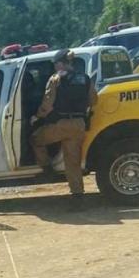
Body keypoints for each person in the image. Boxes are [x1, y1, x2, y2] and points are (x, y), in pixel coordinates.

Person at [30, 49, 98, 210]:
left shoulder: (56, 79)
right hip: (79, 125)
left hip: (60, 125)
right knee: (72, 163)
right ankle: (78, 197)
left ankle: (47, 170)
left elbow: (47, 104)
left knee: (35, 139)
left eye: (56, 64)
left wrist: (37, 117)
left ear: (61, 63)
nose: (55, 67)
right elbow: (94, 100)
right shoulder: (85, 79)